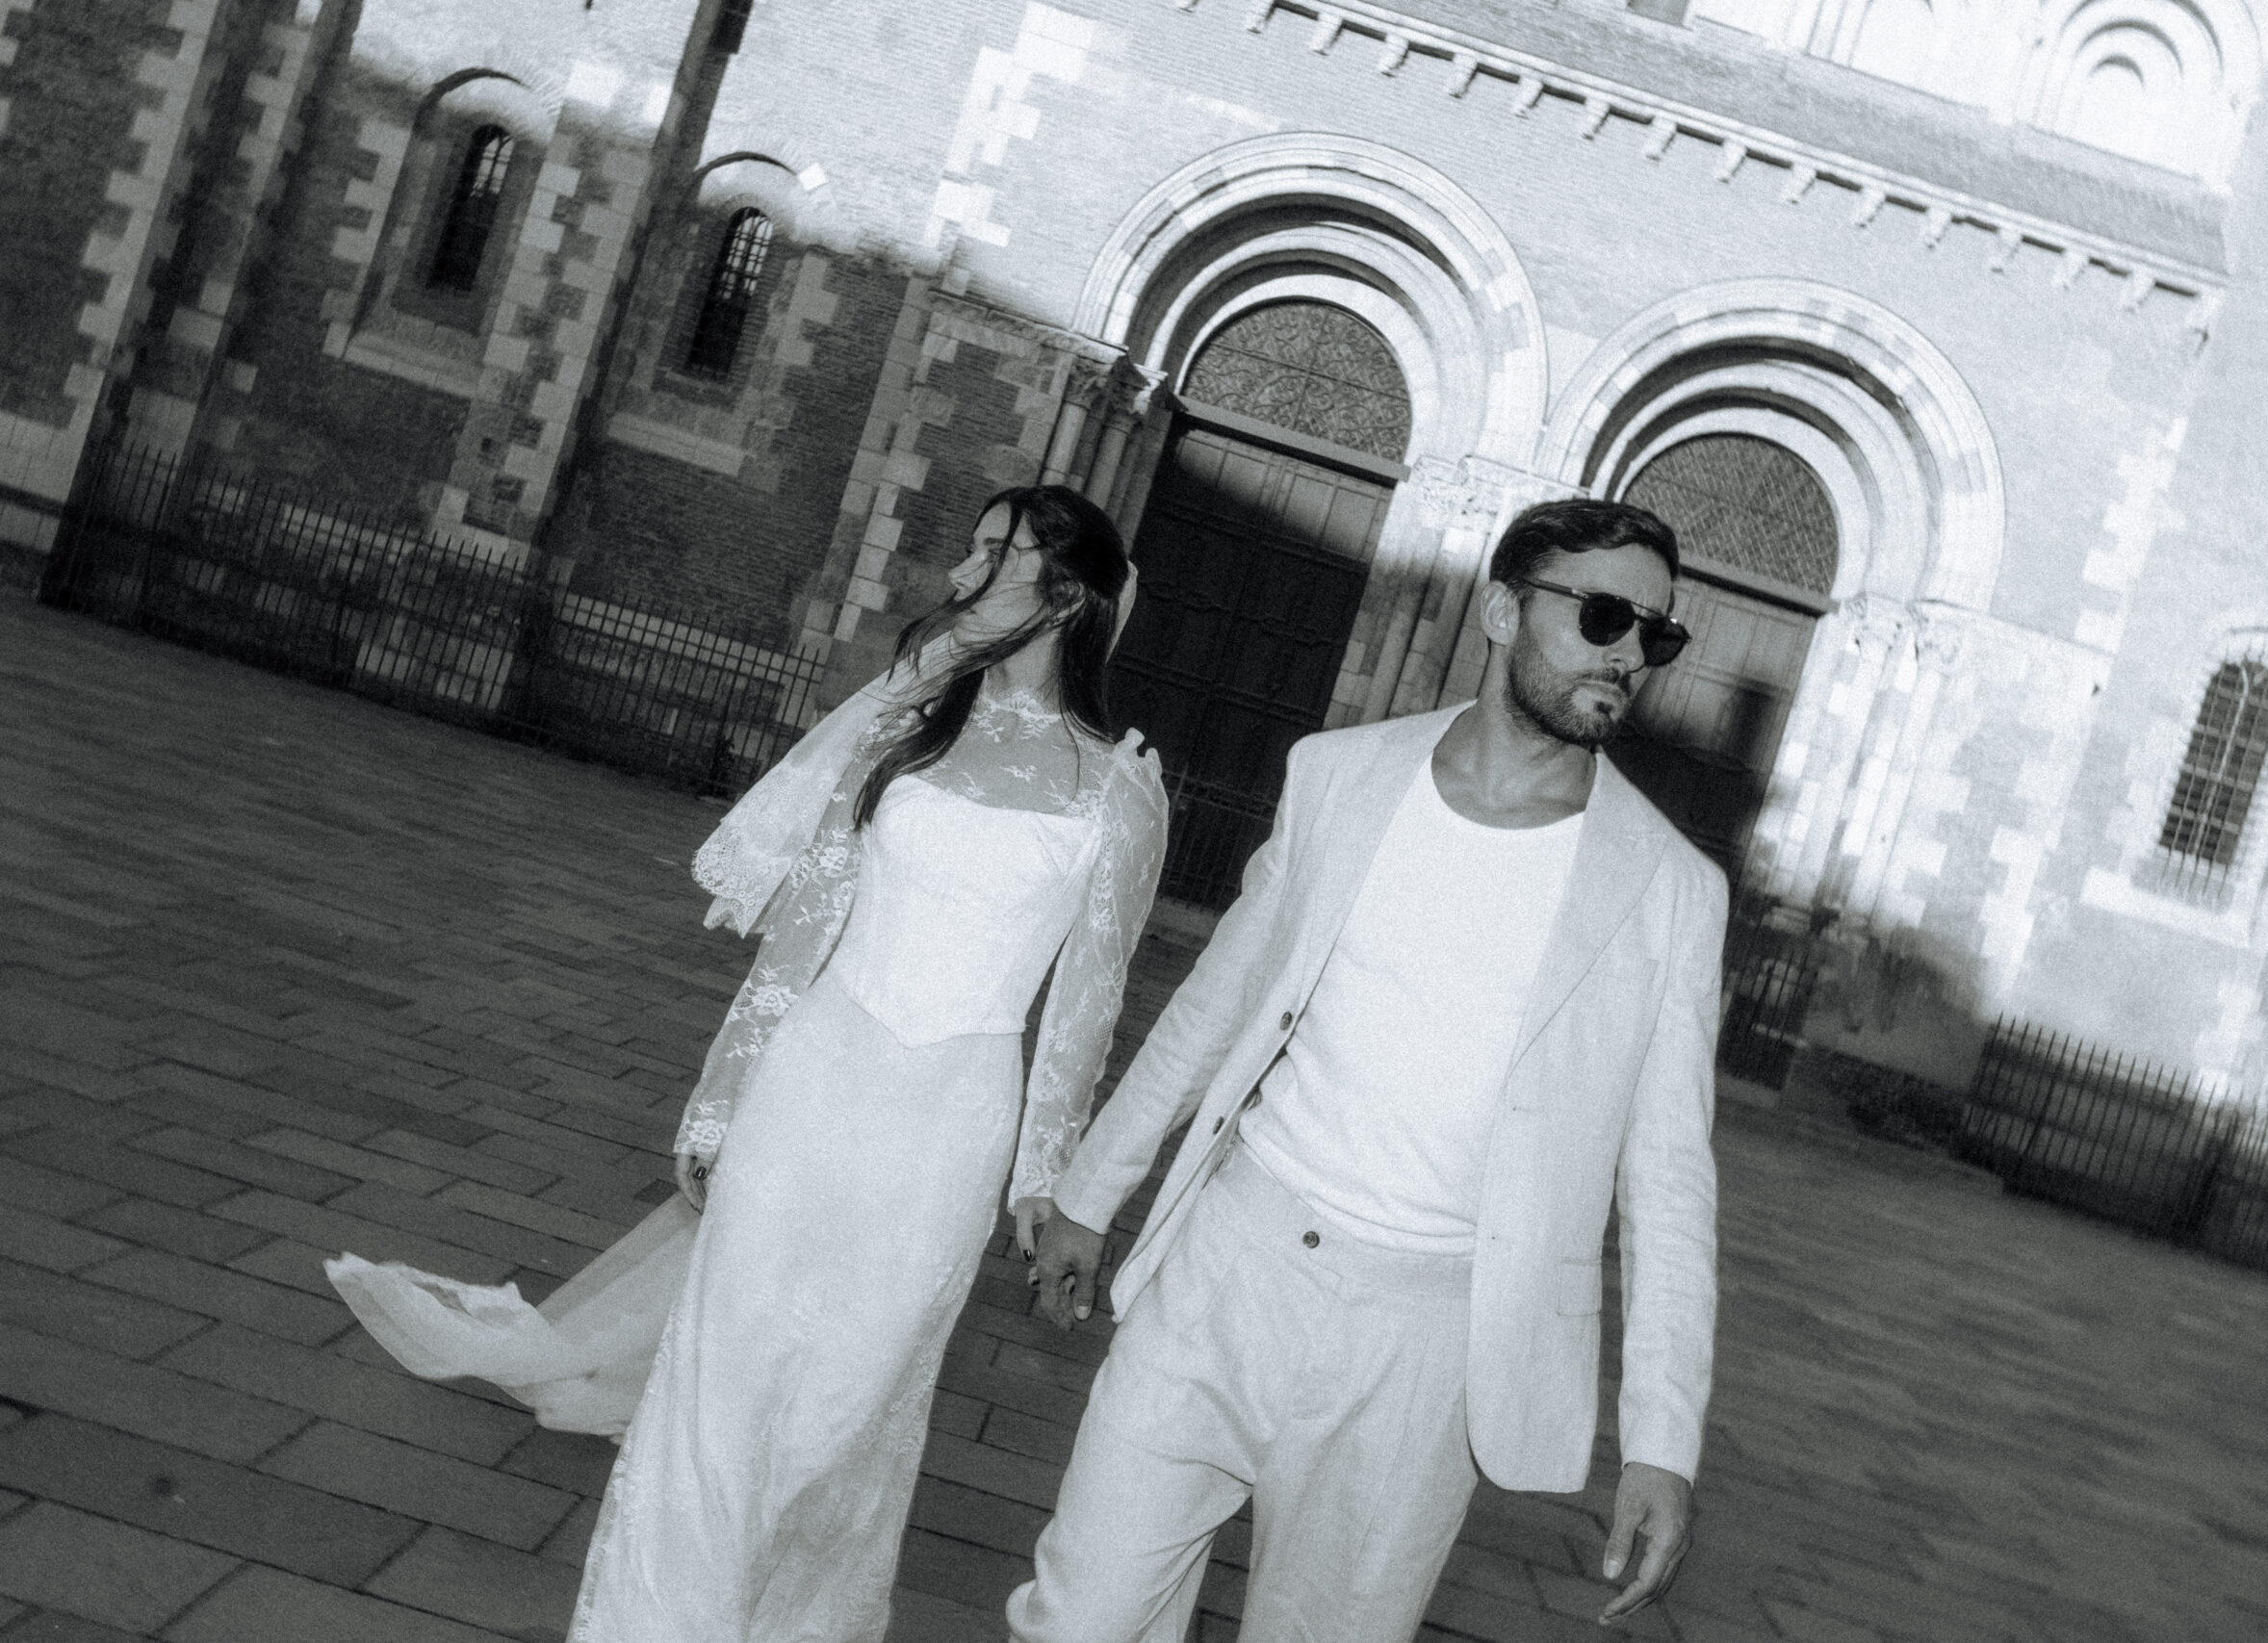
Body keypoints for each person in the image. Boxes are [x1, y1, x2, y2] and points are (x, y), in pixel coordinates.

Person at [324, 486, 1168, 1643]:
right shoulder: (904, 727)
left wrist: (1042, 1178)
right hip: (812, 1079)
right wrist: (718, 1100)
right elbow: (802, 934)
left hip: (949, 1125)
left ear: (1065, 595)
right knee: (727, 1365)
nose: (961, 573)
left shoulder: (1119, 792)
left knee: (848, 1397)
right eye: (969, 548)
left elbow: (1086, 1005)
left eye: (994, 554)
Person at [1006, 497, 1726, 1643]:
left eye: (1657, 633)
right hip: (1231, 1265)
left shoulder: (1669, 889)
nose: (1629, 654)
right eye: (1602, 616)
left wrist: (1662, 1443)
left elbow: (1672, 1185)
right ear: (1503, 610)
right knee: (1076, 1617)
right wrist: (1092, 1192)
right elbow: (1218, 1003)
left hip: (1426, 1346)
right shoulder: (1340, 775)